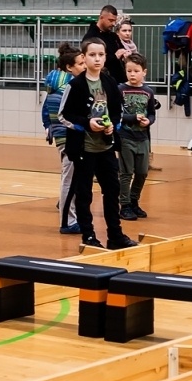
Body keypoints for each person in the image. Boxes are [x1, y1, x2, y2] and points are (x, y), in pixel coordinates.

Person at [60, 37, 136, 250]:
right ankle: (89, 235)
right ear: (84, 58)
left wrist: (112, 125)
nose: (97, 59)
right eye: (92, 55)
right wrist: (86, 123)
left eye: (101, 55)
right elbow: (63, 115)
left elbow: (119, 112)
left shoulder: (110, 83)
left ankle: (115, 235)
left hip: (106, 148)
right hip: (84, 149)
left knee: (112, 191)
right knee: (84, 194)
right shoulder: (74, 85)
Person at [43, 43, 82, 235]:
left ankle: (72, 216)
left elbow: (46, 109)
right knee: (69, 180)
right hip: (68, 137)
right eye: (81, 63)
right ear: (69, 66)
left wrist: (48, 126)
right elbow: (63, 114)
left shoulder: (55, 83)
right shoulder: (68, 86)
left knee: (73, 178)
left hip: (63, 135)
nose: (85, 66)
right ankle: (67, 221)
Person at [117, 52, 157, 221]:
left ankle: (134, 201)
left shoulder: (148, 92)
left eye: (136, 71)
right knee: (126, 173)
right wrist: (132, 118)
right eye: (129, 71)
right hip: (126, 137)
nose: (132, 74)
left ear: (144, 72)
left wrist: (148, 121)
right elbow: (116, 114)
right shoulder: (120, 89)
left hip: (143, 138)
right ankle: (124, 205)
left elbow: (152, 114)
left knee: (142, 172)